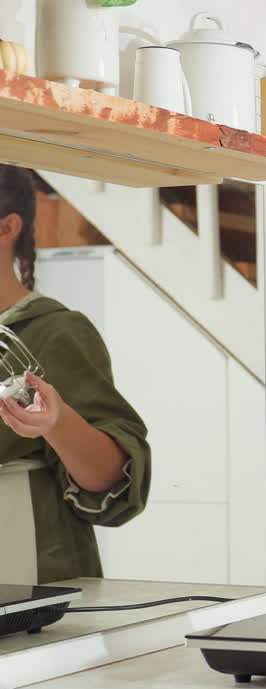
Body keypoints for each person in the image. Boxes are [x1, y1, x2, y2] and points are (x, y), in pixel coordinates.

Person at [0, 164, 150, 584]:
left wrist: (59, 422)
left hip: (28, 577)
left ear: (6, 227)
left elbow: (113, 485)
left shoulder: (55, 332)